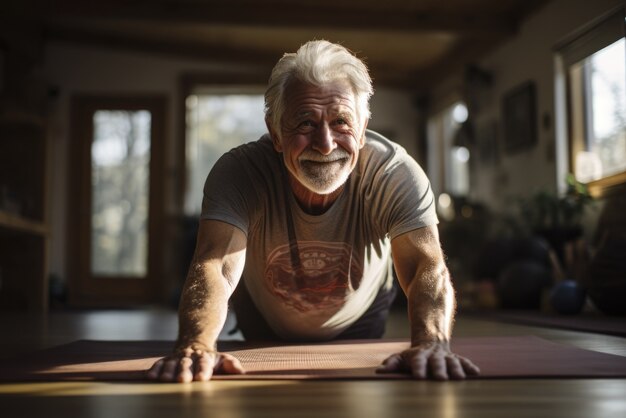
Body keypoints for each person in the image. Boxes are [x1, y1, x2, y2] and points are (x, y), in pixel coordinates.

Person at [147, 40, 479, 383]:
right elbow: (215, 263)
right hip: (261, 331)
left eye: (340, 122)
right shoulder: (241, 172)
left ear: (363, 129)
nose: (325, 144)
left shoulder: (393, 172)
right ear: (275, 132)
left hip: (361, 327)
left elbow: (425, 264)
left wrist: (431, 342)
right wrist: (197, 344)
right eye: (305, 123)